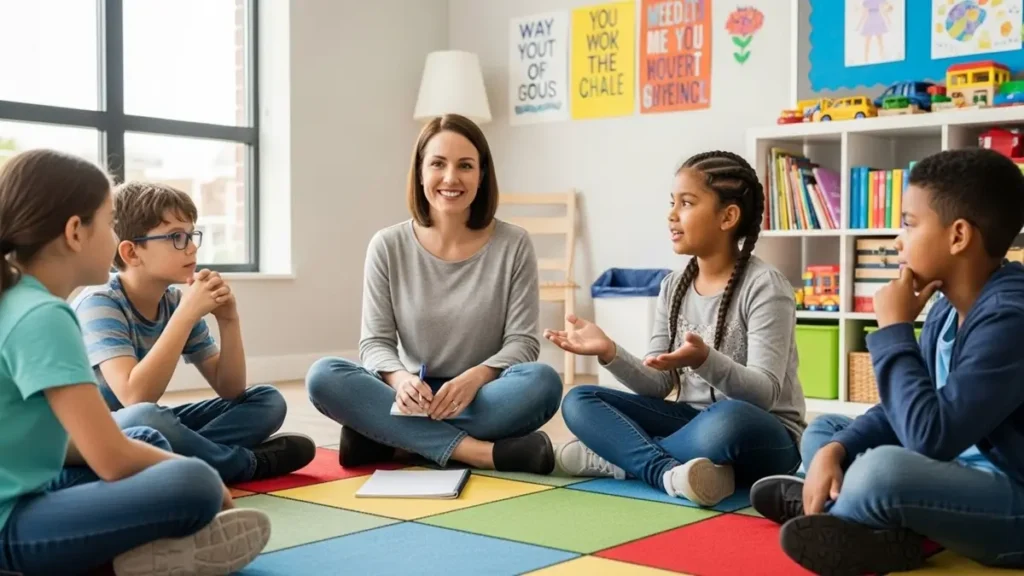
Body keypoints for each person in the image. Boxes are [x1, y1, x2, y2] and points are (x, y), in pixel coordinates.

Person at [750, 148, 1024, 576]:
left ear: (958, 236)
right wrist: (835, 451)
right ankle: (862, 520)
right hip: (950, 470)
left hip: (1012, 500)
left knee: (880, 471)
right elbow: (903, 411)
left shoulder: (1010, 316)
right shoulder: (947, 310)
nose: (898, 240)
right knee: (826, 431)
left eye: (909, 224)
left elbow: (930, 436)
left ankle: (833, 508)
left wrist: (895, 329)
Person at [0, 149, 270, 575]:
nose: (113, 238)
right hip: (9, 527)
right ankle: (127, 556)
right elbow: (110, 456)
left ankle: (140, 551)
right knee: (192, 482)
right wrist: (203, 474)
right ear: (75, 232)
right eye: (108, 223)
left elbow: (59, 443)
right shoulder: (46, 316)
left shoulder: (23, 301)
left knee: (148, 437)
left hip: (30, 489)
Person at [543, 151, 806, 507]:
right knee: (580, 399)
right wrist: (609, 351)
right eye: (672, 202)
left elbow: (765, 395)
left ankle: (622, 460)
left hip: (764, 435)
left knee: (728, 419)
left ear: (728, 216)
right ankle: (671, 472)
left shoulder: (765, 286)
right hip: (688, 424)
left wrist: (704, 361)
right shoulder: (673, 286)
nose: (671, 215)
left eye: (686, 203)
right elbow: (658, 385)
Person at [306, 113, 563, 474]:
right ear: (420, 172)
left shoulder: (514, 244)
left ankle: (389, 440)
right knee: (323, 376)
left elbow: (522, 344)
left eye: (466, 166)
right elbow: (375, 344)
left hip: (482, 394)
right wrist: (400, 380)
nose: (450, 178)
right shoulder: (387, 245)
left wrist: (476, 377)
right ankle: (477, 453)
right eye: (438, 164)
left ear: (482, 174)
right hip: (411, 394)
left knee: (544, 382)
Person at [71, 181, 315, 484]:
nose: (192, 247)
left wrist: (229, 320)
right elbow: (134, 396)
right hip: (98, 433)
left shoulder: (174, 301)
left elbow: (231, 390)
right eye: (176, 237)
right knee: (148, 418)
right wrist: (186, 314)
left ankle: (178, 456)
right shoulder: (100, 302)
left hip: (148, 430)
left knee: (267, 400)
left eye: (191, 235)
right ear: (132, 252)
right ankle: (244, 464)